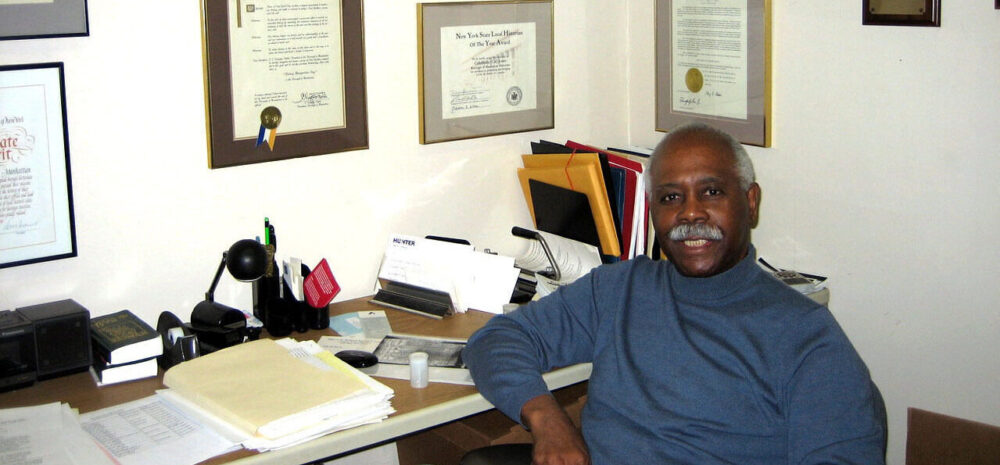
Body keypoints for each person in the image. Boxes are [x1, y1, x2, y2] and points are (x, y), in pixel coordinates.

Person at [462, 122, 886, 465]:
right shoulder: (619, 289)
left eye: (712, 192)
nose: (690, 213)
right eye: (670, 197)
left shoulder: (806, 338)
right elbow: (496, 340)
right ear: (653, 212)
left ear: (751, 202)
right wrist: (547, 418)